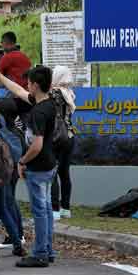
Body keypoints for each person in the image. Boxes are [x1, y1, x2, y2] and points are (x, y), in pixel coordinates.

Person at [0, 63, 57, 268]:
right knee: (45, 209)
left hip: (38, 167)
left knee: (40, 211)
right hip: (49, 164)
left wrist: (22, 161)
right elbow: (17, 91)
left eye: (29, 83)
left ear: (35, 85)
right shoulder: (49, 103)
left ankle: (40, 254)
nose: (26, 86)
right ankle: (47, 249)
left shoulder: (38, 112)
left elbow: (36, 145)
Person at [0, 94, 27, 257]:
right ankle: (17, 237)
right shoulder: (15, 129)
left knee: (4, 206)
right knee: (8, 204)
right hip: (13, 169)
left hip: (4, 171)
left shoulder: (0, 129)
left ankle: (15, 237)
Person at [50, 66, 77, 220]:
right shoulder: (69, 93)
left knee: (53, 172)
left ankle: (54, 209)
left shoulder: (54, 93)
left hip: (56, 137)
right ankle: (66, 208)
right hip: (69, 136)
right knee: (64, 173)